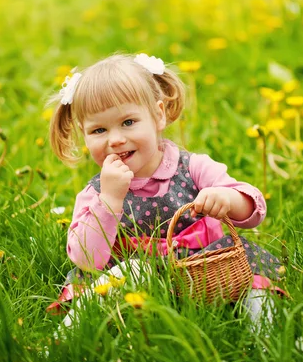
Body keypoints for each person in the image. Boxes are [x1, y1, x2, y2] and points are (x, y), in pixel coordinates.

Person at [47, 53, 284, 329]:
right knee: (130, 269)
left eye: (128, 122)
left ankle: (268, 336)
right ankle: (64, 339)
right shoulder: (96, 192)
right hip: (135, 287)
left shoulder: (192, 167)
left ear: (158, 115)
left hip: (204, 272)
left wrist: (228, 199)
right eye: (99, 130)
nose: (115, 139)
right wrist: (109, 200)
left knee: (250, 269)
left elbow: (254, 211)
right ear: (83, 133)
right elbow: (86, 260)